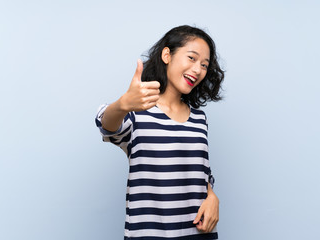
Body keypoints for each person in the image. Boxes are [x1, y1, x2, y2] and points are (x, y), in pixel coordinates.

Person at [95, 25, 224, 239]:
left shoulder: (200, 119)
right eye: (192, 58)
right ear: (167, 55)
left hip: (200, 232)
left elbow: (201, 172)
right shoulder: (137, 113)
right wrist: (123, 105)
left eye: (204, 65)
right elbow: (106, 124)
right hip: (150, 234)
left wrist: (213, 197)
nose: (198, 70)